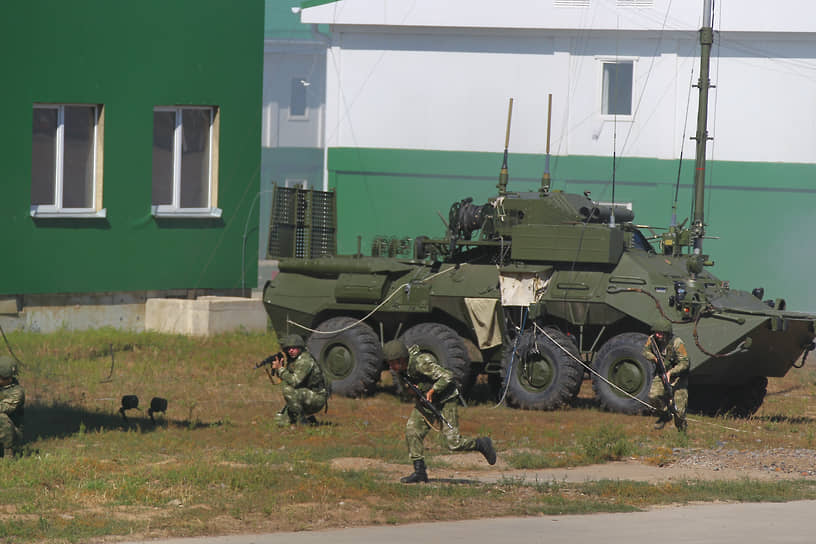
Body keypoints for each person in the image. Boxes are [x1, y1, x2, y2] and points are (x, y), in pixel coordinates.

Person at [383, 339, 496, 484]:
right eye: (389, 363)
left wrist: (432, 390)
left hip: (445, 399)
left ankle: (481, 444)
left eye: (393, 362)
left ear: (402, 359)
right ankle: (419, 472)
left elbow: (447, 376)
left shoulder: (422, 362)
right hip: (426, 402)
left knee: (454, 443)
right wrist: (413, 391)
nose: (390, 367)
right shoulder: (401, 371)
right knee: (412, 431)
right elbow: (406, 391)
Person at [269, 334, 328, 426]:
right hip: (305, 394)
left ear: (300, 347)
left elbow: (294, 381)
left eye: (294, 348)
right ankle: (309, 419)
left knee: (288, 390)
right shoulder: (294, 359)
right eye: (288, 348)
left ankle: (302, 422)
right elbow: (287, 378)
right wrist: (278, 369)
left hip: (317, 397)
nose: (291, 350)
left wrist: (280, 369)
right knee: (280, 421)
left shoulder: (304, 361)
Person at [643, 319, 689, 431]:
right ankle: (664, 414)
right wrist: (653, 357)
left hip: (678, 376)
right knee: (653, 396)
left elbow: (685, 362)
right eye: (656, 332)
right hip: (662, 373)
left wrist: (671, 372)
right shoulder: (652, 339)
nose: (657, 335)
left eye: (660, 333)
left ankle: (682, 431)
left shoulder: (677, 343)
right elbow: (645, 351)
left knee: (679, 410)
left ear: (667, 333)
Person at [0, 356, 24, 457]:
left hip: (13, 434)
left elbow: (4, 408)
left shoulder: (17, 392)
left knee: (1, 417)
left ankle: (8, 455)